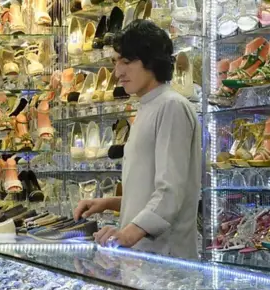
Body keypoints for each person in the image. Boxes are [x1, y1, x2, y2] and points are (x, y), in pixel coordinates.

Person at [74, 20, 202, 259]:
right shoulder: (148, 107)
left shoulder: (171, 106)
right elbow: (148, 191)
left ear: (151, 60)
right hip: (143, 258)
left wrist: (128, 235)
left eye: (126, 61)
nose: (118, 72)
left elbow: (171, 191)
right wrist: (107, 203)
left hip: (166, 259)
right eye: (115, 63)